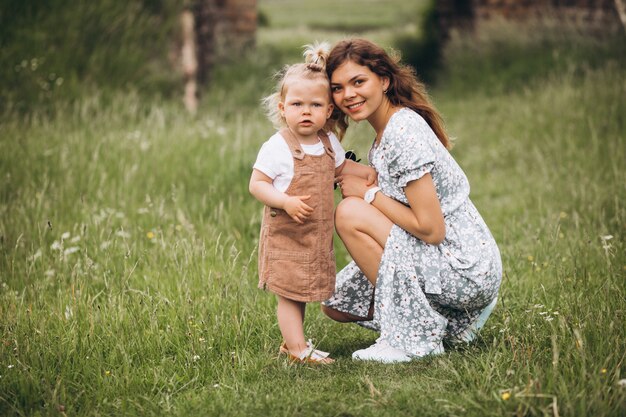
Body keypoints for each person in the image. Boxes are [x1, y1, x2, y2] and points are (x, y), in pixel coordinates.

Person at [321, 38, 502, 363]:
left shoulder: (403, 133)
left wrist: (369, 196)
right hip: (441, 255)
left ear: (385, 81)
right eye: (337, 88)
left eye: (358, 82)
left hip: (464, 265)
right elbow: (387, 185)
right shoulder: (387, 132)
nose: (348, 94)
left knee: (350, 213)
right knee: (337, 302)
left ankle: (412, 337)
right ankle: (453, 323)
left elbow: (431, 229)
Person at [249, 43, 376, 364]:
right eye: (297, 104)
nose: (306, 111)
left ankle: (294, 343)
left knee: (301, 293)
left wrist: (372, 172)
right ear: (282, 108)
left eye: (315, 105)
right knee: (291, 296)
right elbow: (257, 184)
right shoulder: (277, 147)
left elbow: (341, 169)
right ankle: (296, 349)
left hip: (314, 238)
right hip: (288, 236)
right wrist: (285, 201)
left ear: (329, 111)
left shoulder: (327, 142)